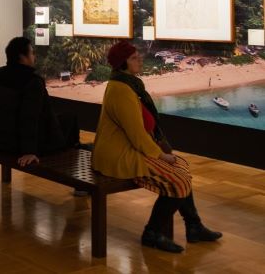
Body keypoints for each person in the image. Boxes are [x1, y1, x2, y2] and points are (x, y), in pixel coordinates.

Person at [92, 41, 221, 253]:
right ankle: (152, 233)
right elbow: (136, 134)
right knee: (178, 180)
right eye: (134, 58)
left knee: (181, 169)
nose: (140, 59)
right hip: (120, 154)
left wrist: (161, 152)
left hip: (130, 149)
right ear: (122, 63)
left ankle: (194, 226)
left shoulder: (128, 84)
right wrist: (160, 155)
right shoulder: (121, 89)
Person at [0, 37, 80, 168]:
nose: (34, 56)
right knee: (71, 119)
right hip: (22, 146)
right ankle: (74, 172)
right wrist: (29, 152)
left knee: (63, 120)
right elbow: (29, 118)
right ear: (23, 57)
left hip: (1, 143)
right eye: (32, 53)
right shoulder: (33, 81)